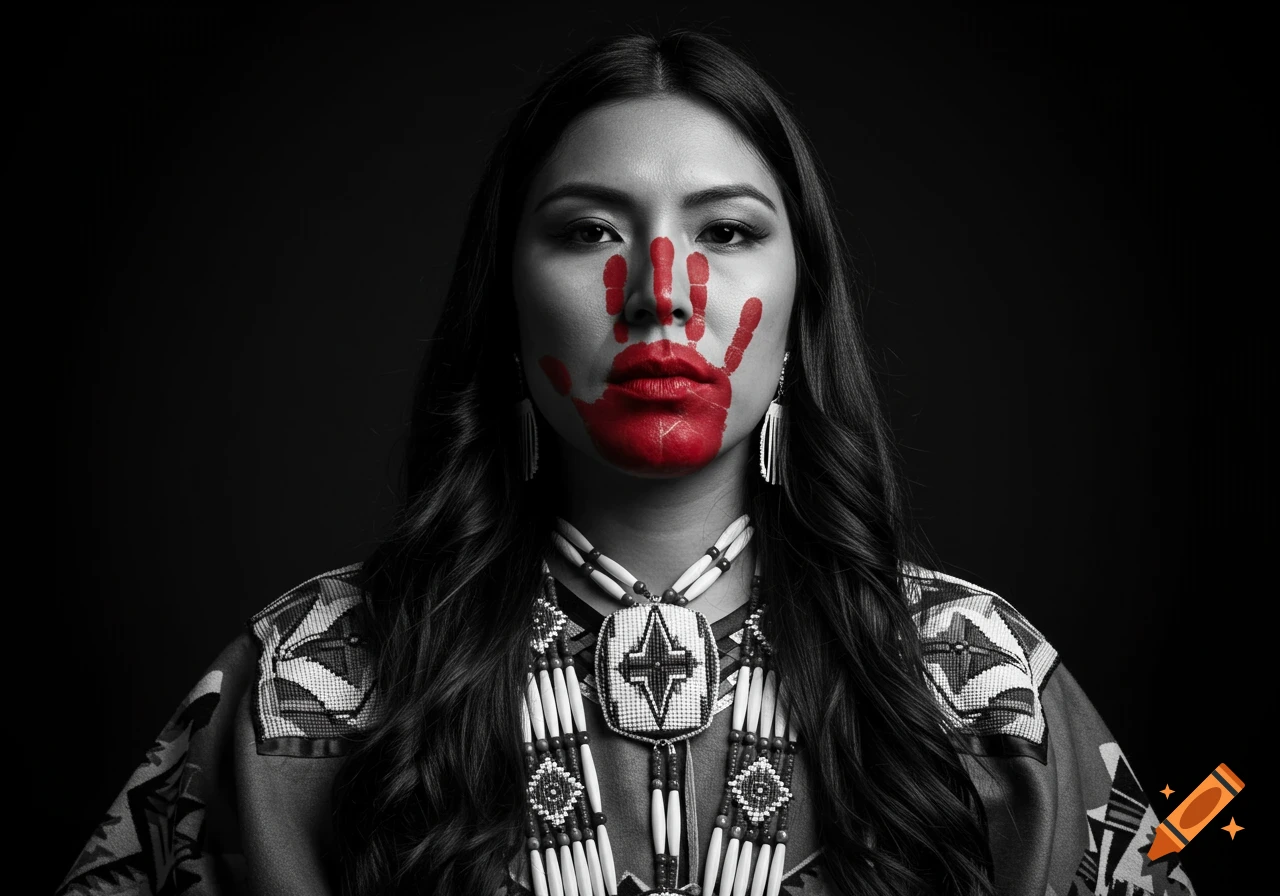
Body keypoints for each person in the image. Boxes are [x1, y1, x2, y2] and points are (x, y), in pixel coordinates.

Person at [57, 30, 1196, 896]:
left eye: (727, 231)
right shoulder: (313, 677)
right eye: (589, 230)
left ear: (800, 309)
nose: (663, 288)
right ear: (507, 309)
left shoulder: (978, 683)